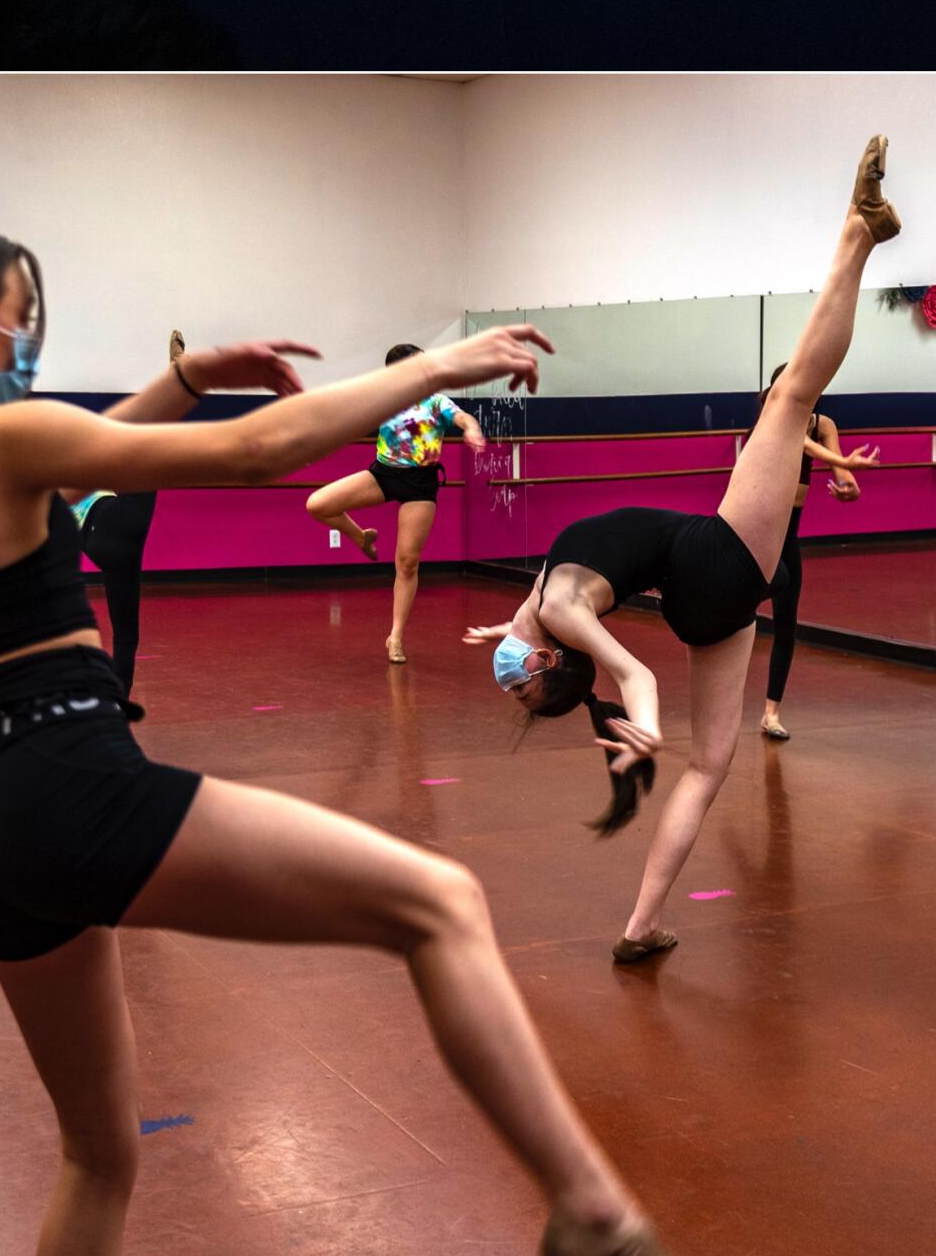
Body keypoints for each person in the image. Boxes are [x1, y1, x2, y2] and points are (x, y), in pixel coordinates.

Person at [0, 212, 692, 1256]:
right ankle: (588, 1206)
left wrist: (181, 375)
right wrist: (442, 364)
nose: (26, 345)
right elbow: (254, 452)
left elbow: (61, 474)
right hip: (68, 783)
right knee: (439, 903)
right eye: (21, 325)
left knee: (96, 1159)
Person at [466, 139, 900, 961]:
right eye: (519, 687)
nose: (505, 679)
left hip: (706, 602)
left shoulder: (541, 607)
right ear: (546, 662)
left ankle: (641, 926)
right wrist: (645, 729)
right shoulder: (557, 609)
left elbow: (549, 623)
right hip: (713, 559)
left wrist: (503, 627)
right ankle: (858, 234)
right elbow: (633, 674)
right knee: (793, 396)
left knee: (712, 770)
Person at [68, 327, 316, 696]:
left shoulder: (54, 484)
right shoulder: (75, 468)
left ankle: (112, 705)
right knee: (126, 637)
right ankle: (178, 380)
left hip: (104, 545)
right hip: (118, 530)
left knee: (124, 636)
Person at [302, 352, 488, 663]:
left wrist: (472, 429)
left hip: (420, 483)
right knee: (318, 504)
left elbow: (462, 417)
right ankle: (362, 537)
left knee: (407, 562)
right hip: (383, 474)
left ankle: (396, 636)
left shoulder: (436, 401)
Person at [754, 364, 880, 742]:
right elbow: (803, 444)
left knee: (787, 623)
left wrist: (850, 486)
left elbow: (840, 467)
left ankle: (771, 712)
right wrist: (841, 463)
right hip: (757, 527)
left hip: (787, 532)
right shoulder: (773, 414)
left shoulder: (822, 423)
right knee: (763, 593)